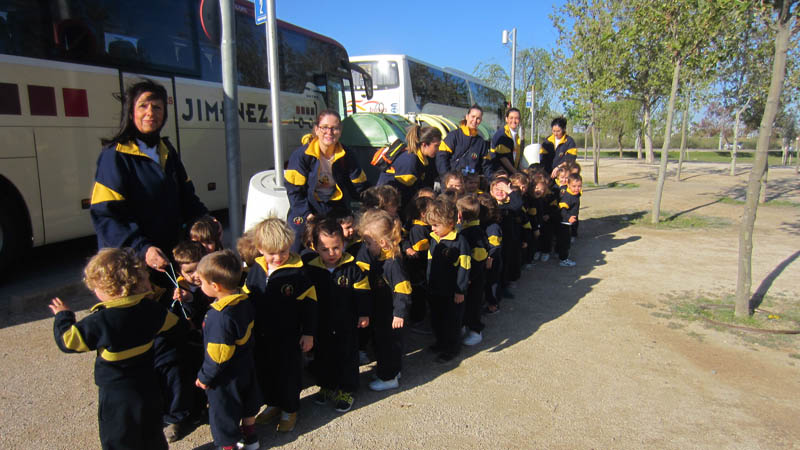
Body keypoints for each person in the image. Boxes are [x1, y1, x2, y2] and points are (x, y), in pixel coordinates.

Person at [50, 247, 178, 450]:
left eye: (95, 288)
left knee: (119, 438)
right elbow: (174, 325)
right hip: (148, 386)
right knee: (152, 432)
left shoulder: (101, 321)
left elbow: (67, 341)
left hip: (116, 395)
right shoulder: (152, 310)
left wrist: (63, 316)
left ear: (109, 290)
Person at [89, 79, 210, 275]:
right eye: (143, 106)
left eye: (157, 107)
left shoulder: (167, 151)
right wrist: (142, 248)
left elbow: (187, 198)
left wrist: (205, 220)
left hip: (167, 258)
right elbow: (107, 216)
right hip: (132, 266)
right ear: (131, 113)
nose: (150, 113)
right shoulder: (115, 156)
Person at [245, 218, 317, 432]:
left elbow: (310, 305)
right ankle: (273, 403)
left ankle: (290, 408)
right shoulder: (256, 269)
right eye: (272, 253)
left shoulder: (298, 273)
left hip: (288, 335)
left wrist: (309, 333)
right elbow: (247, 297)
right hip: (261, 334)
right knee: (265, 370)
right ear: (260, 249)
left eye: (283, 251)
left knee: (288, 373)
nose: (278, 257)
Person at [194, 250, 260, 450]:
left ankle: (228, 445)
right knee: (248, 400)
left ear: (215, 286)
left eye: (202, 282)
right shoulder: (243, 299)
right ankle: (251, 436)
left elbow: (218, 356)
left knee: (223, 412)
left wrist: (205, 377)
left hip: (225, 376)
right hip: (246, 364)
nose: (200, 285)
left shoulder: (219, 316)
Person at [305, 218, 370, 411]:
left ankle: (347, 389)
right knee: (323, 356)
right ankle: (327, 385)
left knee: (347, 357)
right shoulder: (311, 269)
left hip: (346, 323)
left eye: (336, 248)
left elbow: (363, 293)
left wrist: (364, 314)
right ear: (315, 247)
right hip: (321, 323)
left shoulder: (353, 268)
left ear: (343, 244)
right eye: (325, 249)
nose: (331, 253)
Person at [284, 110, 369, 252]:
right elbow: (294, 192)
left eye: (334, 128)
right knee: (296, 238)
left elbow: (359, 186)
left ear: (340, 131)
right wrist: (308, 215)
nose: (329, 132)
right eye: (324, 127)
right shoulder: (301, 156)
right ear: (317, 129)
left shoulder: (347, 155)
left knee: (349, 238)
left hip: (334, 206)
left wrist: (366, 209)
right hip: (307, 206)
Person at [357, 208, 411, 391]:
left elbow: (403, 290)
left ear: (381, 242)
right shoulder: (380, 258)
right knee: (383, 344)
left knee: (388, 346)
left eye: (368, 242)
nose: (366, 246)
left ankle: (389, 378)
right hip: (382, 312)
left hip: (391, 316)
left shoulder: (392, 263)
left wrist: (399, 313)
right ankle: (392, 370)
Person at [426, 197, 471, 363]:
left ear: (450, 223)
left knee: (451, 321)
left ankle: (451, 349)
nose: (432, 228)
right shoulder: (434, 239)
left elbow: (465, 268)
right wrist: (429, 283)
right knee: (436, 319)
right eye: (431, 225)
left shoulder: (460, 242)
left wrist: (460, 290)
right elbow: (430, 263)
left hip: (452, 292)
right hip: (435, 289)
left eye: (436, 225)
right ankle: (440, 342)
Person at [377, 125, 442, 210]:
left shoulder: (425, 159)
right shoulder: (410, 161)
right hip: (388, 203)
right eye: (436, 146)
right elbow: (402, 193)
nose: (438, 149)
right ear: (424, 144)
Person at [456, 195, 488, 346]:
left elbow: (479, 257)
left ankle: (476, 330)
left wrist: (469, 277)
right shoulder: (466, 230)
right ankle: (462, 325)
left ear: (460, 215)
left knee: (473, 304)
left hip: (474, 278)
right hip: (467, 277)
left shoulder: (473, 232)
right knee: (464, 304)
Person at [436, 104, 492, 179]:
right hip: (453, 182)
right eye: (473, 116)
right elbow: (441, 158)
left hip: (471, 183)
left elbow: (486, 166)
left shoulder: (481, 143)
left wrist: (492, 181)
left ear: (481, 121)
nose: (475, 120)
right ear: (467, 117)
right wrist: (447, 178)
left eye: (478, 118)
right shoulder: (453, 136)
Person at [557, 174, 582, 267]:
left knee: (564, 241)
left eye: (579, 186)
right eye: (574, 186)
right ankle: (564, 260)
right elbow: (562, 210)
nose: (577, 188)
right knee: (565, 242)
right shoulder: (567, 197)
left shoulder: (575, 194)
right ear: (568, 185)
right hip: (564, 223)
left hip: (569, 223)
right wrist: (568, 218)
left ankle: (559, 254)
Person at [491, 108, 523, 174]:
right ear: (506, 119)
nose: (514, 121)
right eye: (511, 118)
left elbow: (515, 157)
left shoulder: (516, 136)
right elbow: (503, 158)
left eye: (516, 118)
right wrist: (515, 172)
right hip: (502, 174)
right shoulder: (502, 134)